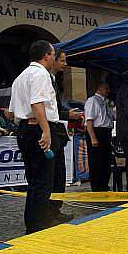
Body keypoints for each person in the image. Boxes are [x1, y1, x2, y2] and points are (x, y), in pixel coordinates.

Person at [9, 40, 60, 234]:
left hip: (25, 129)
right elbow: (37, 104)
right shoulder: (40, 74)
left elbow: (12, 112)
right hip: (38, 127)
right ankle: (37, 227)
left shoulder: (21, 77)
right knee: (43, 181)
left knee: (33, 180)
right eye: (53, 53)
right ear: (46, 55)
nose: (54, 57)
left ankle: (32, 223)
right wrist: (46, 131)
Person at [49, 47, 82, 215]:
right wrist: (67, 114)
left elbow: (55, 108)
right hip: (48, 132)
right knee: (52, 176)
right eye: (61, 60)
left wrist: (68, 115)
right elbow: (47, 110)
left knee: (59, 175)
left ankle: (55, 210)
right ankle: (48, 213)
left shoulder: (53, 79)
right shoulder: (43, 78)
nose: (65, 63)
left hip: (55, 132)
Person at [84, 81, 114, 192]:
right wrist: (93, 137)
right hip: (97, 131)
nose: (108, 91)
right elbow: (89, 120)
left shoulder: (106, 102)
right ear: (99, 89)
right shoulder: (92, 101)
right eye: (106, 88)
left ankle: (104, 184)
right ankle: (97, 186)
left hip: (106, 131)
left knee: (105, 160)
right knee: (96, 161)